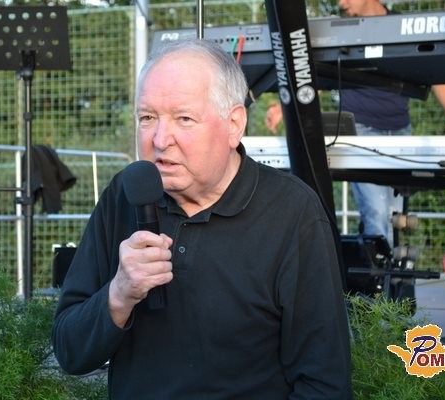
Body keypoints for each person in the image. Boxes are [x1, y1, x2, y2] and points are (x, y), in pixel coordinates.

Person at [52, 39, 352, 399]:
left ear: (234, 124)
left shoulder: (293, 213)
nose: (160, 139)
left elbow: (324, 383)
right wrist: (119, 294)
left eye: (184, 119)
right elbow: (70, 351)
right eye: (147, 118)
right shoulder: (125, 195)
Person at [337, 0, 445, 244]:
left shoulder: (402, 26)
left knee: (394, 216)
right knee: (377, 213)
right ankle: (378, 268)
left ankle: (385, 267)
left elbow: (433, 72)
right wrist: (285, 105)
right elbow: (319, 72)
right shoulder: (343, 30)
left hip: (400, 132)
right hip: (360, 132)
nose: (341, 3)